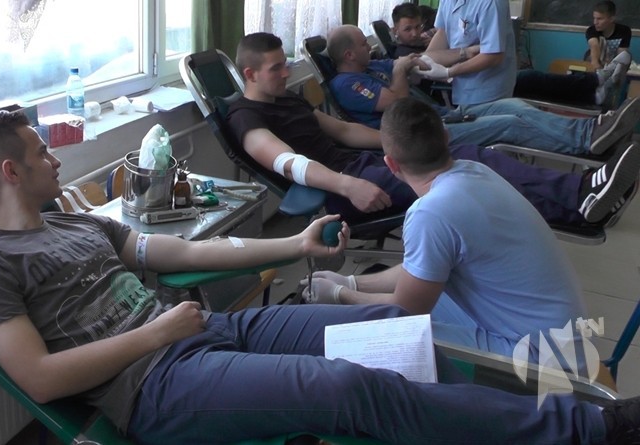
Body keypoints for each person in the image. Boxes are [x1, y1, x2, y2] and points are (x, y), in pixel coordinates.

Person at [0, 111, 640, 445]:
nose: (55, 161)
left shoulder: (78, 225)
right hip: (153, 385)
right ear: (10, 172)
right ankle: (584, 430)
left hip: (209, 331)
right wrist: (156, 333)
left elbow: (180, 254)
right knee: (343, 386)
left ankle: (483, 423)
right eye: (42, 153)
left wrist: (294, 247)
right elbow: (39, 378)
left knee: (389, 326)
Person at [300, 97, 639, 360]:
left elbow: (405, 310)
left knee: (376, 333)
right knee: (421, 296)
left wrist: (341, 296)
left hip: (538, 360)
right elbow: (424, 268)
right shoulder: (475, 171)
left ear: (390, 164)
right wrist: (352, 281)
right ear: (446, 138)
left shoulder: (430, 213)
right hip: (562, 338)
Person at [228, 32, 639, 228]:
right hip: (347, 188)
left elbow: (345, 131)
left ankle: (580, 197)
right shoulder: (246, 118)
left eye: (285, 65)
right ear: (250, 74)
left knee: (470, 161)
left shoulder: (289, 100)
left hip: (366, 163)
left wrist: (401, 143)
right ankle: (578, 196)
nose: (286, 73)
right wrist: (347, 185)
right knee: (468, 170)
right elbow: (288, 163)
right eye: (276, 68)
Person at [327, 23, 640, 155]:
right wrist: (399, 70)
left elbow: (422, 60)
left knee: (513, 106)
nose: (369, 46)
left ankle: (590, 129)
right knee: (510, 124)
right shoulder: (347, 84)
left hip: (443, 115)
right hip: (423, 134)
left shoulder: (372, 66)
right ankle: (585, 141)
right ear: (349, 55)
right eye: (363, 44)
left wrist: (465, 53)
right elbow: (398, 102)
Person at [389, 2, 630, 107]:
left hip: (490, 86)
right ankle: (594, 88)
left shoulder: (490, 2)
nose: (415, 33)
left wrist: (448, 66)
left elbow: (492, 56)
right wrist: (457, 55)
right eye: (408, 29)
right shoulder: (404, 53)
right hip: (461, 88)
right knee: (533, 85)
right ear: (395, 31)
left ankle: (593, 97)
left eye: (417, 27)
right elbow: (441, 37)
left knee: (522, 111)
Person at [587, 0, 632, 70]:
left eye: (599, 19)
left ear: (611, 19)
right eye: (594, 18)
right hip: (595, 66)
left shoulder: (624, 31)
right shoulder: (592, 30)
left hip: (613, 67)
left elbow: (621, 56)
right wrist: (599, 70)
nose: (595, 22)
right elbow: (594, 46)